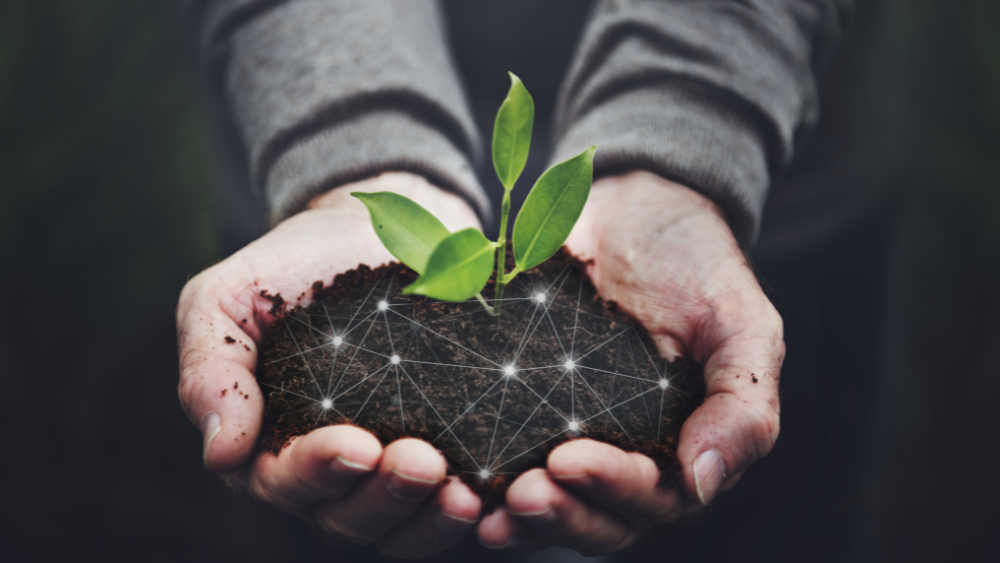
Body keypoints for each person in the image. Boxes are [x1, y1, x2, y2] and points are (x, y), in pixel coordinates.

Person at [177, 0, 873, 560]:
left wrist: (683, 134)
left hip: (769, 178)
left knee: (761, 520)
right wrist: (351, 142)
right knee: (343, 504)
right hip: (299, 149)